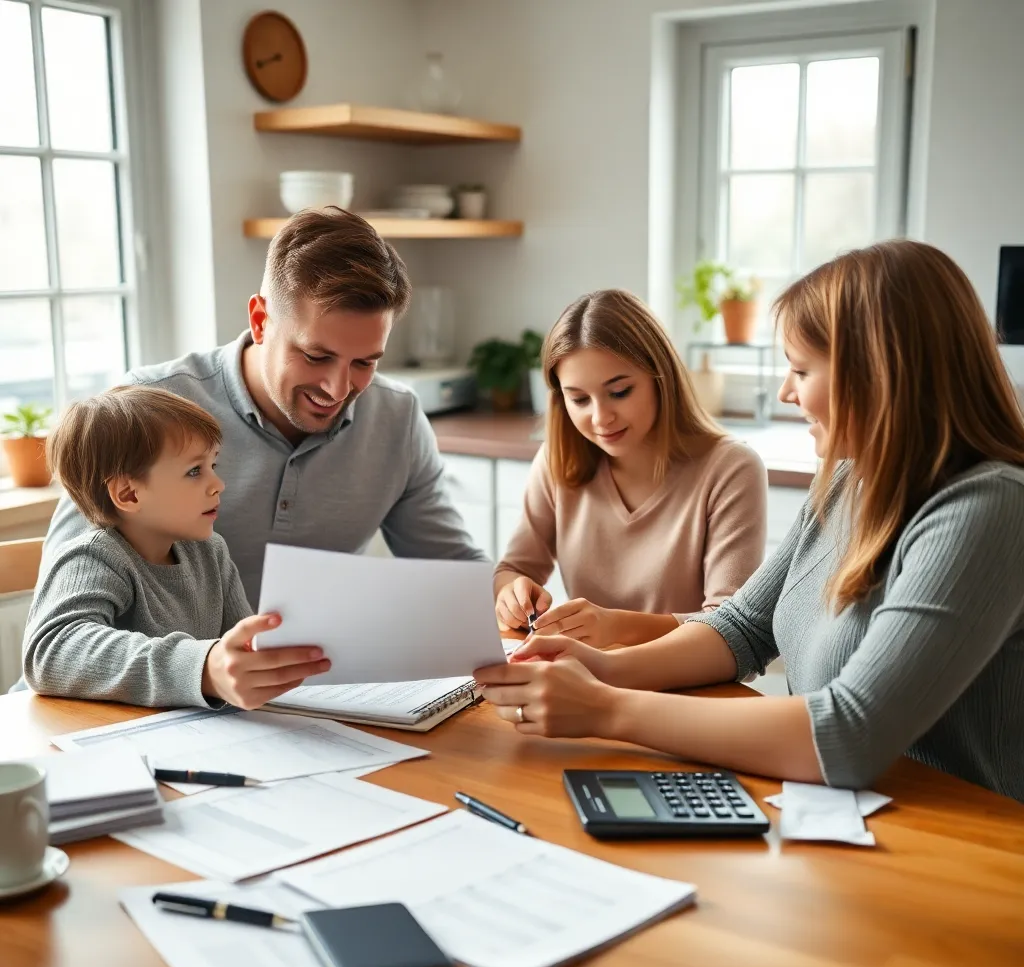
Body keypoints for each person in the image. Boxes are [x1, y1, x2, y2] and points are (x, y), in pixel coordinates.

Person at [475, 241, 1024, 802]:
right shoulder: (848, 477)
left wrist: (605, 708)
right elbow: (742, 627)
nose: (786, 392)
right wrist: (599, 668)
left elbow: (849, 734)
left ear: (880, 374)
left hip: (963, 831)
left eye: (801, 370)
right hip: (846, 811)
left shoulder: (987, 508)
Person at [43, 208, 485, 607]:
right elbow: (60, 631)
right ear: (260, 321)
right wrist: (206, 663)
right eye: (315, 356)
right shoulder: (146, 410)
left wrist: (508, 595)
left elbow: (452, 570)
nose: (337, 388)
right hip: (165, 674)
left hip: (319, 673)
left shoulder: (397, 417)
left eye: (364, 363)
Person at [22, 387, 330, 709]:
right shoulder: (95, 558)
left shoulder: (210, 551)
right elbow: (51, 651)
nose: (218, 484)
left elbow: (243, 653)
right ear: (129, 494)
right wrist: (203, 668)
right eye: (194, 471)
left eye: (213, 465)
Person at [493, 289, 767, 648]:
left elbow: (733, 633)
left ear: (660, 377)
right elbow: (514, 569)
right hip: (582, 675)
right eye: (579, 399)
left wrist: (616, 628)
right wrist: (513, 594)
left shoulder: (731, 469)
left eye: (620, 392)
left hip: (682, 682)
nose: (600, 418)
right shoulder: (557, 460)